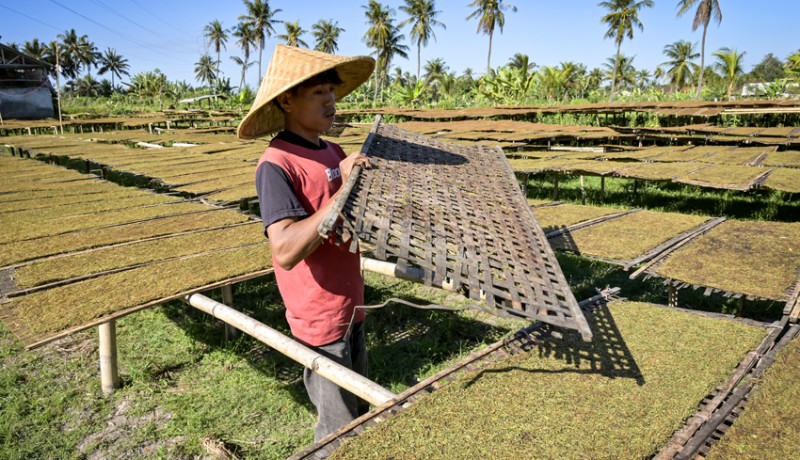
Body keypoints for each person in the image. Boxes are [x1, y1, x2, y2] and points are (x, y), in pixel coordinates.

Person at [237, 45, 376, 442]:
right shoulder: (276, 165)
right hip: (319, 319)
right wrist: (343, 190)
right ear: (287, 100)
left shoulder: (332, 149)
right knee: (338, 431)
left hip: (352, 305)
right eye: (318, 93)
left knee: (360, 411)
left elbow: (348, 215)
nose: (330, 100)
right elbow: (284, 249)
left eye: (331, 92)